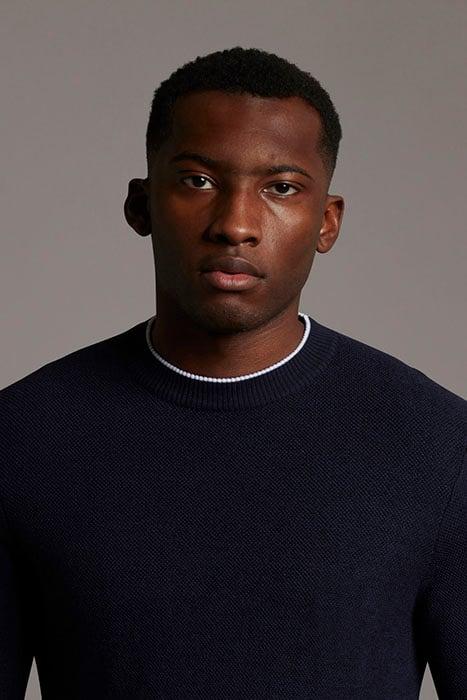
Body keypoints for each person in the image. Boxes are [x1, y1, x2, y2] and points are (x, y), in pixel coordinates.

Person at [0, 46, 465, 699]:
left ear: (327, 221)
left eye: (281, 187)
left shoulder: (438, 444)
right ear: (141, 205)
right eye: (197, 181)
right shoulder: (21, 440)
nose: (236, 225)